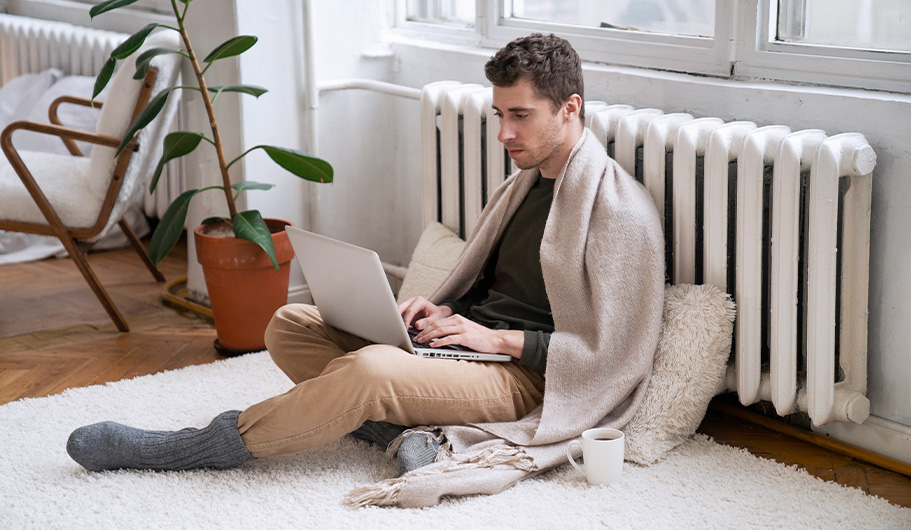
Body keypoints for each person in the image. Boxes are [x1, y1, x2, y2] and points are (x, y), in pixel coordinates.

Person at [67, 34, 665, 507]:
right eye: (498, 113)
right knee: (290, 323)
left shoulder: (619, 210)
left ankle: (194, 447)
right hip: (465, 349)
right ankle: (411, 437)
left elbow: (613, 354)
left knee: (369, 369)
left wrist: (497, 340)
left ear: (570, 108)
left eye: (521, 115)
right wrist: (448, 311)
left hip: (526, 380)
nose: (504, 132)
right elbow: (492, 285)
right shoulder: (523, 186)